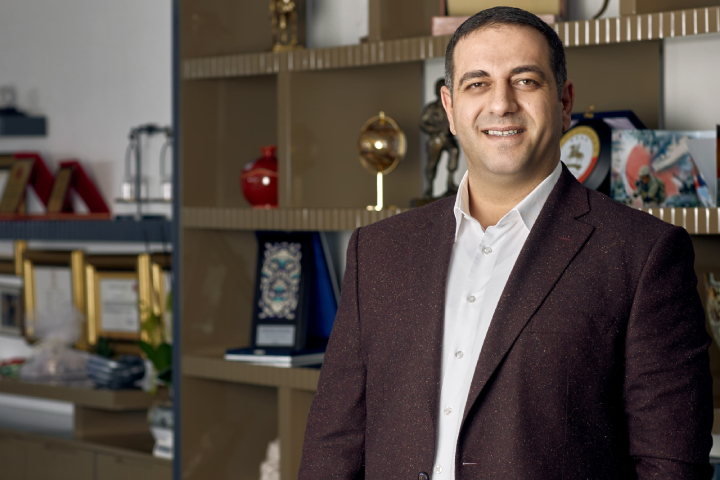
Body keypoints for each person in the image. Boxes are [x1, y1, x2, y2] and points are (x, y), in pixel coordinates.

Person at [299, 7, 713, 480]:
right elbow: (333, 446)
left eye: (525, 81)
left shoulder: (643, 254)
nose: (501, 103)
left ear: (564, 102)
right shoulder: (378, 251)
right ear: (450, 108)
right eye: (477, 83)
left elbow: (671, 465)